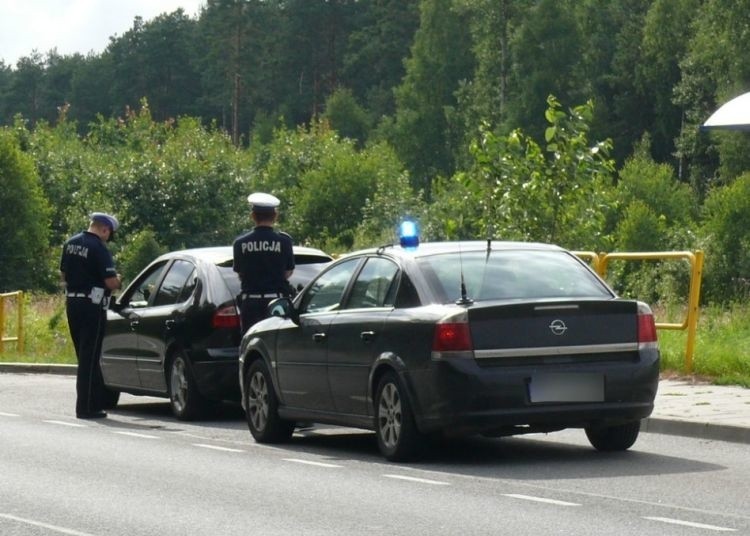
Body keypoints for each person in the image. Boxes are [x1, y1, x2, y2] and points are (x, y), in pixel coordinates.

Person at [60, 212, 122, 419]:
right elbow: (111, 282)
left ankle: (95, 402)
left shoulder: (70, 243)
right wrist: (119, 280)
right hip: (91, 305)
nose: (107, 238)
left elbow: (64, 276)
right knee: (90, 356)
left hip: (73, 302)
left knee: (83, 354)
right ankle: (86, 407)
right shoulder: (98, 248)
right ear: (104, 229)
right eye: (108, 234)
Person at [233, 192, 295, 333]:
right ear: (275, 216)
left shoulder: (240, 243)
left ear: (253, 216)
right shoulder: (284, 242)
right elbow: (288, 271)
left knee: (251, 343)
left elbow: (240, 272)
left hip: (251, 304)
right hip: (277, 303)